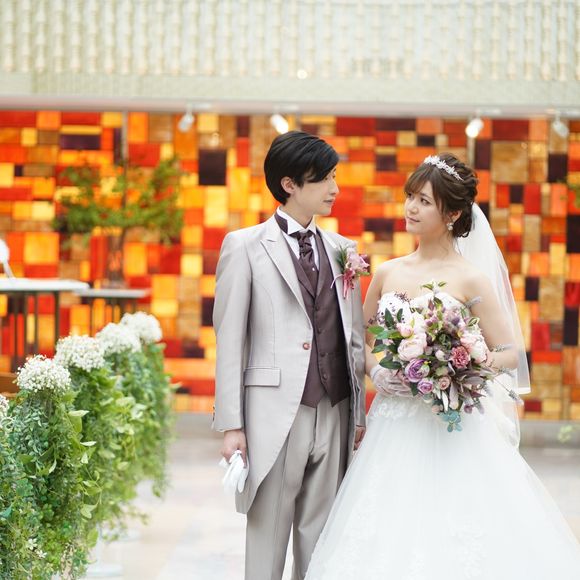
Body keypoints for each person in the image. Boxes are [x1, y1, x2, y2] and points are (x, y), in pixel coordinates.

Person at [305, 153, 580, 579]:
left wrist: (462, 364)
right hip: (394, 423)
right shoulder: (388, 272)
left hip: (455, 426)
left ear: (452, 214)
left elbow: (510, 352)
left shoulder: (471, 279)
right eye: (410, 197)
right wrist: (378, 372)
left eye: (424, 201)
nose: (411, 208)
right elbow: (359, 340)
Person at [212, 130, 366, 580]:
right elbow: (230, 339)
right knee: (268, 538)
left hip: (334, 410)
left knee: (321, 541)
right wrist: (232, 425)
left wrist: (358, 414)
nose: (335, 188)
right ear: (289, 184)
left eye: (334, 177)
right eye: (325, 179)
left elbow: (353, 337)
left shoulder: (343, 250)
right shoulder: (244, 246)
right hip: (274, 413)